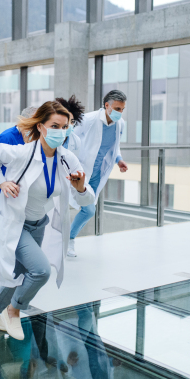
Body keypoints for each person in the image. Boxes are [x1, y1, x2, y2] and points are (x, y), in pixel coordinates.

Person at [0, 101, 95, 341]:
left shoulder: (67, 159)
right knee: (41, 271)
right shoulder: (22, 152)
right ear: (41, 126)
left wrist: (81, 188)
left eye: (65, 127)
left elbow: (87, 200)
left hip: (38, 224)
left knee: (21, 272)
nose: (61, 132)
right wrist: (1, 182)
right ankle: (14, 310)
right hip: (16, 223)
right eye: (55, 125)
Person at [67, 90, 129, 257]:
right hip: (80, 171)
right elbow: (70, 139)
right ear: (106, 105)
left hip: (97, 173)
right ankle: (68, 240)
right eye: (117, 108)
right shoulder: (88, 119)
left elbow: (114, 147)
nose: (120, 112)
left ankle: (67, 240)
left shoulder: (120, 124)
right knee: (87, 210)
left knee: (87, 209)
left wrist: (119, 160)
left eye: (122, 109)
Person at [0, 106, 36, 282]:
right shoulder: (7, 138)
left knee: (12, 234)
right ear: (23, 122)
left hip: (15, 196)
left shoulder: (33, 139)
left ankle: (11, 268)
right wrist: (2, 183)